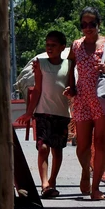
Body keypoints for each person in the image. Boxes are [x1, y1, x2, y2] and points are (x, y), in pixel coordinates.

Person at [65, 6, 105, 201]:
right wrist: (71, 87)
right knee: (82, 145)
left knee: (100, 142)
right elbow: (70, 66)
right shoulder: (76, 46)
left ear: (98, 24)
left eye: (91, 24)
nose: (87, 28)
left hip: (103, 99)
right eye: (83, 25)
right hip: (82, 99)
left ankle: (96, 188)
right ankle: (86, 170)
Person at [22, 31, 72, 198]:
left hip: (61, 114)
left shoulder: (69, 65)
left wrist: (71, 91)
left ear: (62, 47)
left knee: (57, 149)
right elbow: (37, 89)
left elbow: (72, 87)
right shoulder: (40, 63)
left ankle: (52, 181)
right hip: (43, 113)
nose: (49, 48)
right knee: (43, 148)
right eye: (47, 45)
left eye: (53, 45)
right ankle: (44, 184)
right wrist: (29, 112)